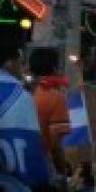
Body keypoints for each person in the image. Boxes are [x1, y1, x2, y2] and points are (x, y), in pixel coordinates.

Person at [0, 41, 49, 187]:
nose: (24, 68)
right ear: (9, 64)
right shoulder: (21, 96)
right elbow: (32, 150)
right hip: (15, 185)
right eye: (20, 63)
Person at [28, 47, 70, 175]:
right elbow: (56, 143)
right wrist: (62, 173)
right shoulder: (55, 97)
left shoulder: (26, 93)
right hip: (41, 167)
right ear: (54, 68)